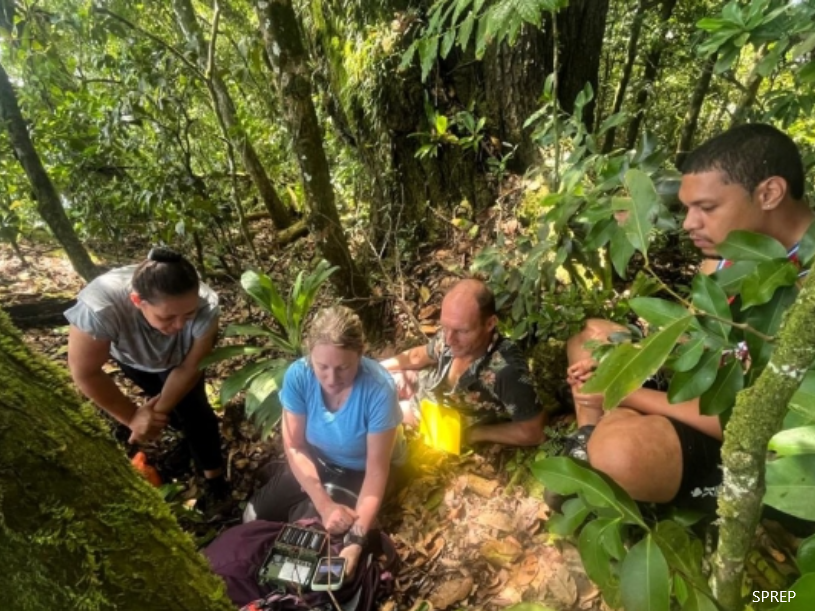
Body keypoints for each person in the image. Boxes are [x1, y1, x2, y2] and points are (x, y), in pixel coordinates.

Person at [566, 123, 814, 509]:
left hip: (752, 435)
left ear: (769, 193)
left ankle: (608, 448)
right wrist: (626, 359)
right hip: (706, 385)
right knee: (593, 336)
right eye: (687, 208)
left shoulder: (806, 293)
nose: (688, 224)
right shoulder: (726, 256)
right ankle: (587, 441)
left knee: (620, 453)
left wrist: (625, 390)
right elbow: (695, 338)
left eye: (707, 208)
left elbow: (752, 418)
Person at [243, 306, 405, 577]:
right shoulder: (299, 376)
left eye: (344, 367)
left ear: (360, 354)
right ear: (310, 356)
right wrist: (324, 504)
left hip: (361, 469)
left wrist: (355, 542)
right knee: (252, 518)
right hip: (317, 457)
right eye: (322, 367)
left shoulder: (378, 388)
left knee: (311, 553)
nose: (331, 379)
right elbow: (295, 445)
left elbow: (377, 469)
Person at [65, 247, 229, 511]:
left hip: (182, 359)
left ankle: (215, 481)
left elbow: (189, 368)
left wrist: (156, 413)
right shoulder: (100, 307)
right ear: (137, 301)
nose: (179, 326)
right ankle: (186, 442)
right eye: (167, 317)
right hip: (134, 359)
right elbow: (85, 372)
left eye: (187, 315)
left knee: (195, 412)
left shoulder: (206, 304)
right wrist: (133, 417)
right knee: (175, 415)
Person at [381, 278, 545, 447]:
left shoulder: (506, 371)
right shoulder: (452, 331)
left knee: (376, 412)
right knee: (369, 385)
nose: (449, 339)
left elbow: (533, 433)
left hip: (442, 416)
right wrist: (374, 369)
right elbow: (417, 356)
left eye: (462, 331)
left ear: (490, 323)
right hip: (425, 383)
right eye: (445, 327)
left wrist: (474, 434)